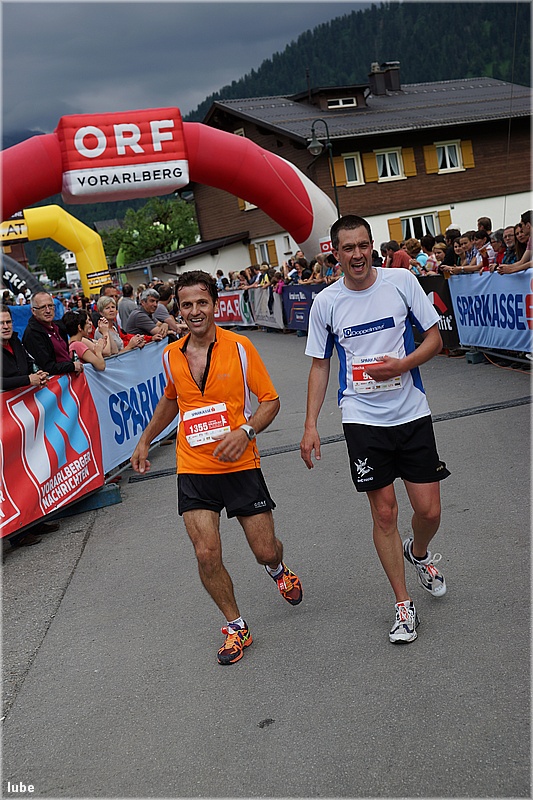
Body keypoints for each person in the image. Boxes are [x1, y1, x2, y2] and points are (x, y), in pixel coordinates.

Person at [130, 270, 303, 665]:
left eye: (201, 303)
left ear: (214, 305)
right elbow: (172, 399)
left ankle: (278, 569)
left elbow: (270, 401)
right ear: (179, 309)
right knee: (206, 553)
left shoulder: (240, 347)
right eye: (186, 304)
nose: (194, 311)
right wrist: (145, 439)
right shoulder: (171, 355)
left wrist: (246, 430)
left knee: (264, 550)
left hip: (240, 465)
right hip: (194, 467)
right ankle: (236, 626)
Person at [300, 214, 449, 645]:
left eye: (363, 245)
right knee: (385, 513)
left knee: (429, 511)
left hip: (411, 410)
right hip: (361, 417)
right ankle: (403, 604)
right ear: (335, 253)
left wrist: (403, 365)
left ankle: (417, 552)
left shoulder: (400, 281)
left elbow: (434, 339)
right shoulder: (326, 302)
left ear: (373, 246)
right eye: (348, 248)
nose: (358, 254)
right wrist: (310, 424)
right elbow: (320, 365)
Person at [22, 292, 84, 376]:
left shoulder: (58, 327)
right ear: (33, 311)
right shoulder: (32, 334)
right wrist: (72, 366)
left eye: (50, 306)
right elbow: (46, 367)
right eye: (43, 307)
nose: (48, 311)